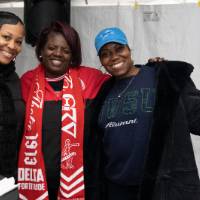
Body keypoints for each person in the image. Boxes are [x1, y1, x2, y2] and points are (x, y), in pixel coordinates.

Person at [91, 27, 200, 200]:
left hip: (161, 188)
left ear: (129, 49)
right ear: (101, 61)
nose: (114, 57)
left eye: (119, 49)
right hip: (116, 190)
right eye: (106, 54)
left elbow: (197, 117)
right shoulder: (102, 93)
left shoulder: (163, 77)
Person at [17, 21, 109, 200]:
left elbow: (125, 78)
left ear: (73, 55)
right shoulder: (26, 82)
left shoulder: (90, 78)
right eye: (51, 47)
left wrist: (154, 67)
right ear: (41, 50)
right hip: (38, 183)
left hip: (81, 184)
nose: (58, 54)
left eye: (66, 50)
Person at [0, 11, 25, 179]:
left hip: (9, 179)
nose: (12, 46)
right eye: (6, 37)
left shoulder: (15, 80)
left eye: (18, 42)